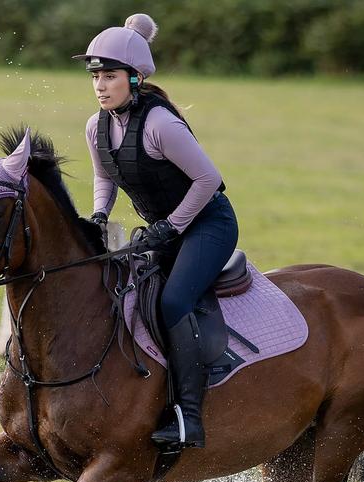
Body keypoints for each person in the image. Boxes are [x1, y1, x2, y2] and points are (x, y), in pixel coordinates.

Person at [74, 13, 239, 449]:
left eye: (109, 76)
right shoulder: (96, 126)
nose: (100, 86)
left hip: (208, 224)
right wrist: (98, 216)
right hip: (165, 230)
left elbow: (209, 180)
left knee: (172, 300)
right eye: (95, 77)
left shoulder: (160, 124)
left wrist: (170, 227)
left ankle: (189, 417)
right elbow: (105, 177)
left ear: (134, 77)